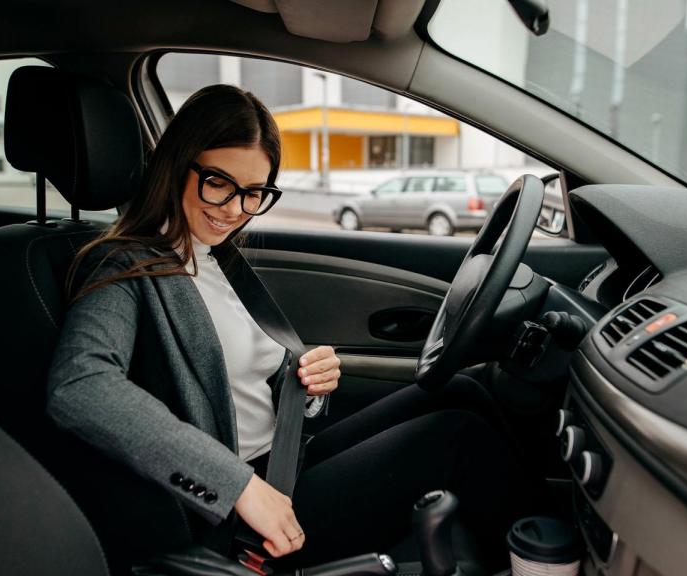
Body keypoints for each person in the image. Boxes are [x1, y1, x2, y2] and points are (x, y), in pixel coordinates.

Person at [47, 84, 538, 569]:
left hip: (285, 459)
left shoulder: (216, 258)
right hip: (238, 512)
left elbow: (251, 384)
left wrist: (308, 381)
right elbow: (81, 387)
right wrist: (234, 484)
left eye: (254, 193)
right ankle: (544, 560)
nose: (235, 210)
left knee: (462, 390)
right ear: (176, 164)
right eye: (219, 182)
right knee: (458, 437)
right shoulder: (123, 265)